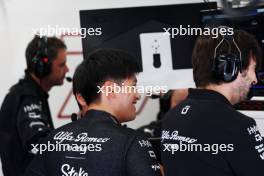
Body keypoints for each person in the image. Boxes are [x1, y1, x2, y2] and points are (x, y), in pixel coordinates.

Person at [24, 48, 162, 176]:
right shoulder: (133, 142)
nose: (137, 95)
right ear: (110, 89)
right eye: (133, 86)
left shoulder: (54, 138)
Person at [161, 28, 264, 176]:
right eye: (253, 68)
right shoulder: (239, 125)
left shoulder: (172, 117)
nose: (254, 79)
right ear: (229, 68)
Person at [0, 35, 69, 176]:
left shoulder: (30, 94)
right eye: (61, 65)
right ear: (42, 67)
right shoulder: (27, 98)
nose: (67, 69)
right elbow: (40, 142)